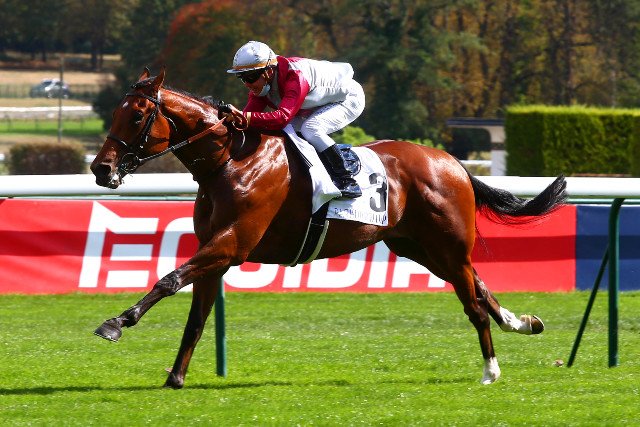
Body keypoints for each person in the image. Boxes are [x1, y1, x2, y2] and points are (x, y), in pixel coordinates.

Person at [225, 40, 365, 198]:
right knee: (285, 132)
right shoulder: (262, 85)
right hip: (316, 105)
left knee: (310, 129)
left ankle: (347, 180)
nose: (247, 84)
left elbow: (281, 118)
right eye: (242, 78)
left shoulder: (295, 77)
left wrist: (245, 117)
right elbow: (247, 120)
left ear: (268, 72)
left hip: (348, 99)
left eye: (250, 77)